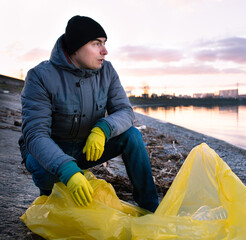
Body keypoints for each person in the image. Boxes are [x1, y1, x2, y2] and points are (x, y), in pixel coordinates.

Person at [18, 15, 159, 212]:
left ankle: (151, 206)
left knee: (132, 136)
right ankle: (50, 193)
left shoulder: (106, 71)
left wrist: (103, 129)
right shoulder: (40, 76)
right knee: (47, 175)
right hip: (49, 151)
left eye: (104, 43)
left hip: (86, 147)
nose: (105, 51)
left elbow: (125, 111)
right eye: (96, 44)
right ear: (76, 47)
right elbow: (35, 135)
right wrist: (67, 169)